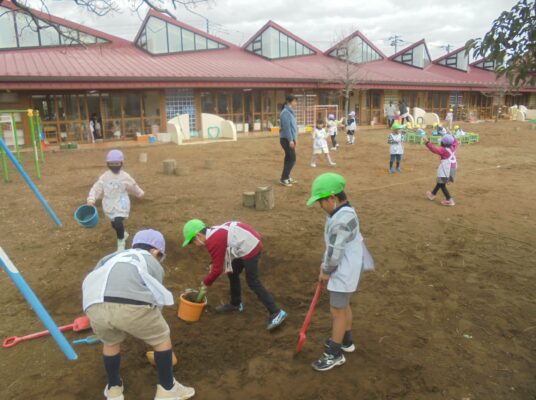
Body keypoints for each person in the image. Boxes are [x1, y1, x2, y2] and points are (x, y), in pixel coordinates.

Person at [82, 229, 195, 400]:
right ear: (155, 251)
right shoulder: (151, 261)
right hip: (131, 305)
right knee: (162, 338)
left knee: (110, 342)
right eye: (160, 257)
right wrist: (151, 327)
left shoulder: (112, 256)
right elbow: (156, 298)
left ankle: (114, 389)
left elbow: (97, 276)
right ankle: (167, 389)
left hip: (93, 302)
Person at [306, 173, 373, 372]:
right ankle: (346, 340)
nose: (320, 206)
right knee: (343, 306)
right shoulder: (343, 211)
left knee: (337, 311)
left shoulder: (341, 220)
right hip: (350, 263)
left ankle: (334, 354)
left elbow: (335, 253)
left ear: (332, 198)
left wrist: (325, 271)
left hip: (344, 268)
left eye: (321, 202)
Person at [181, 219, 288, 331]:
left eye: (193, 241)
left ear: (199, 235)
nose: (195, 244)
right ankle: (235, 304)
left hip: (250, 246)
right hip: (242, 243)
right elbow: (220, 253)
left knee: (253, 281)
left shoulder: (213, 240)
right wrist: (213, 263)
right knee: (232, 271)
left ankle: (276, 312)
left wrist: (206, 282)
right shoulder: (211, 233)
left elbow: (217, 270)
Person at [87, 149, 144, 252]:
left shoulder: (125, 176)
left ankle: (121, 242)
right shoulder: (105, 177)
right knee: (114, 223)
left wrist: (139, 193)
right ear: (107, 164)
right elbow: (97, 187)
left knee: (118, 222)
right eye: (111, 163)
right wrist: (91, 198)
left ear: (121, 163)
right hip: (109, 203)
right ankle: (123, 233)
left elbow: (133, 185)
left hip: (121, 202)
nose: (114, 166)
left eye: (116, 163)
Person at [425, 134, 459, 206]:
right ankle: (432, 194)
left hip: (446, 168)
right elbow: (456, 141)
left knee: (442, 184)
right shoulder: (454, 146)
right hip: (453, 168)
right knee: (440, 182)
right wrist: (452, 134)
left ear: (443, 143)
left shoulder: (443, 150)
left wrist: (427, 143)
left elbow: (434, 149)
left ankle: (449, 199)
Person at [279, 94, 298, 187]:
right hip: (286, 139)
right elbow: (286, 128)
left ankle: (286, 176)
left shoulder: (289, 112)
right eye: (294, 101)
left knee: (289, 158)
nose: (296, 103)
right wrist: (291, 140)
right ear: (289, 102)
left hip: (288, 139)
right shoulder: (286, 112)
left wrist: (293, 139)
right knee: (292, 158)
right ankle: (284, 178)